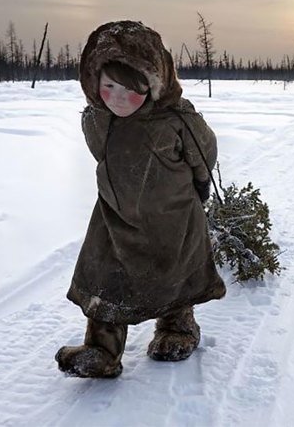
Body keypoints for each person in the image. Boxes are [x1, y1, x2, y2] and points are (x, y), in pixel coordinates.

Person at [55, 20, 226, 378]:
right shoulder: (97, 119)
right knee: (107, 280)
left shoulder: (177, 120)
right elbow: (104, 157)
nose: (117, 98)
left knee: (173, 277)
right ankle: (102, 351)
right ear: (93, 82)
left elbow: (204, 156)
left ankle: (177, 329)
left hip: (172, 217)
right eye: (109, 86)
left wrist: (197, 191)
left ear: (154, 84)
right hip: (114, 219)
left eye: (131, 89)